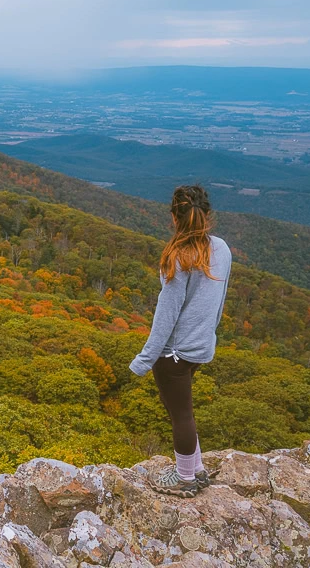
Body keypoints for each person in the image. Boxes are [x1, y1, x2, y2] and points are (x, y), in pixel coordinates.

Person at [128, 184, 232, 498]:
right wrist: (209, 337)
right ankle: (197, 470)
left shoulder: (178, 256)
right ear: (207, 215)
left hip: (173, 353)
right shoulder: (221, 248)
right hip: (199, 347)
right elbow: (219, 300)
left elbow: (166, 314)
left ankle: (185, 477)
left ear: (175, 217)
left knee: (180, 415)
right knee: (183, 410)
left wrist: (145, 359)